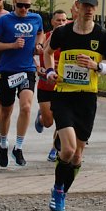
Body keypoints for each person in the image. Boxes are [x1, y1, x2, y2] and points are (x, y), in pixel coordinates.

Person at [43, 0, 106, 211]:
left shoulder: (102, 36)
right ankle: (57, 191)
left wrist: (98, 67)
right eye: (85, 5)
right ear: (77, 6)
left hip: (87, 100)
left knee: (77, 156)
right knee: (68, 149)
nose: (89, 9)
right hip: (64, 95)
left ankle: (63, 192)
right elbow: (47, 51)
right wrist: (49, 71)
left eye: (92, 5)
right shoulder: (63, 32)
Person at [0, 0, 45, 168]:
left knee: (26, 107)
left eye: (27, 5)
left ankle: (18, 147)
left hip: (27, 69)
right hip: (6, 71)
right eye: (20, 5)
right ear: (13, 3)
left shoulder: (36, 18)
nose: (23, 9)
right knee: (6, 111)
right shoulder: (4, 20)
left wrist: (39, 45)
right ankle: (3, 144)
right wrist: (12, 45)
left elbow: (40, 33)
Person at [35, 9, 69, 161]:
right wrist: (38, 68)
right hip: (45, 85)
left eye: (64, 20)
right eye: (58, 20)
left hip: (62, 86)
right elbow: (36, 53)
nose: (61, 23)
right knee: (48, 122)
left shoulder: (70, 38)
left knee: (62, 119)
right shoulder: (46, 36)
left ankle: (55, 149)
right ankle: (41, 118)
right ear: (52, 22)